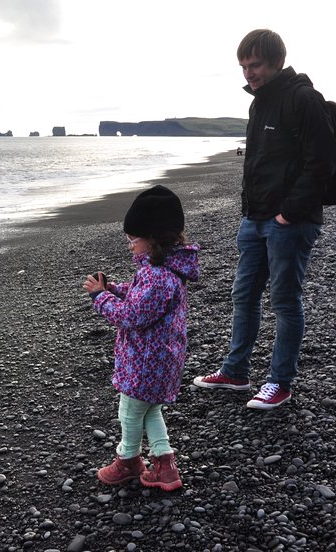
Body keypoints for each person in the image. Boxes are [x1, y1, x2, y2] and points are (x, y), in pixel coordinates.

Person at [193, 29, 336, 410]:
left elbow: (323, 161)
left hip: (289, 221)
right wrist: (250, 210)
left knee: (285, 302)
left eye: (254, 64)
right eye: (243, 66)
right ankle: (235, 372)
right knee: (244, 296)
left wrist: (288, 212)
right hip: (254, 219)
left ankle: (280, 382)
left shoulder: (303, 99)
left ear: (276, 61)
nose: (248, 73)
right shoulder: (259, 104)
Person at [83, 185, 199, 491]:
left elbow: (132, 316)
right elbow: (140, 299)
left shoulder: (158, 277)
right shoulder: (163, 269)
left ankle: (128, 461)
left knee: (129, 412)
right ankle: (165, 465)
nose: (129, 246)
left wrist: (100, 298)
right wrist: (114, 288)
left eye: (133, 240)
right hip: (161, 361)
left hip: (146, 362)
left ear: (153, 239)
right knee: (150, 410)